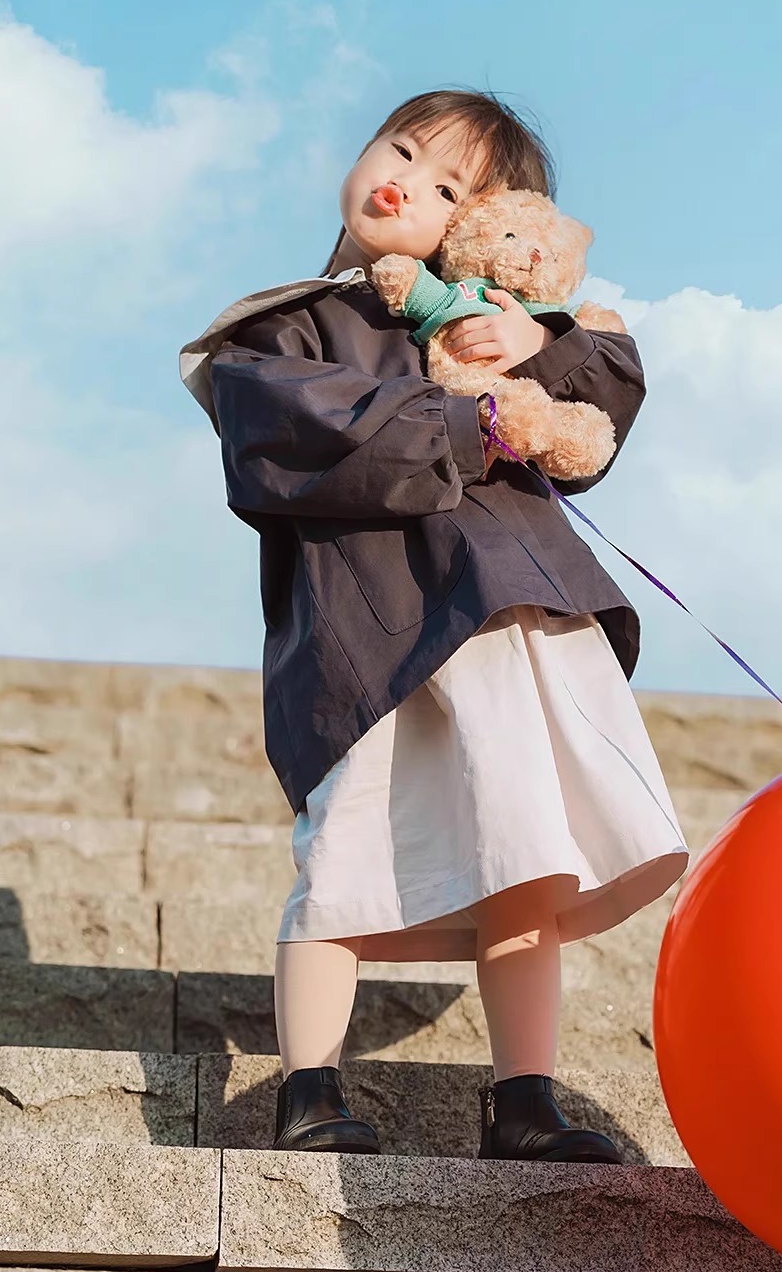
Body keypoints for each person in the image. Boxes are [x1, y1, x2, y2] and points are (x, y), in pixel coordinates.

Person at [179, 88, 688, 1164]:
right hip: (373, 634)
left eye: (452, 186)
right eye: (401, 148)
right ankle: (308, 1083)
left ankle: (524, 1095)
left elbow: (600, 402)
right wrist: (463, 417)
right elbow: (298, 435)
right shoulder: (283, 328)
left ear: (480, 228)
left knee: (524, 856)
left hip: (508, 620)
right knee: (346, 849)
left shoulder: (504, 328)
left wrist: (531, 341)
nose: (406, 177)